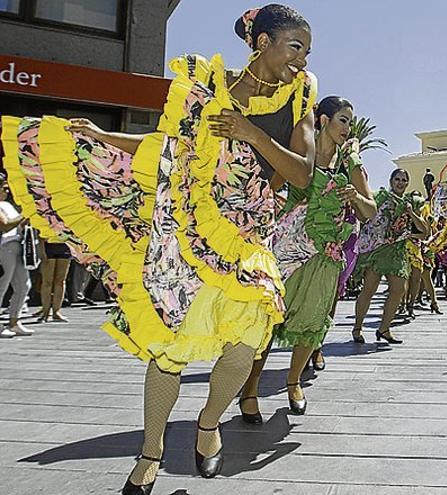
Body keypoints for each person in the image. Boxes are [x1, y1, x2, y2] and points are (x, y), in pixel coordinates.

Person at [2, 4, 319, 491]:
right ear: (263, 43)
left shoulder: (301, 97)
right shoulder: (206, 86)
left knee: (246, 340)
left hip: (247, 235)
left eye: (307, 51)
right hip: (186, 227)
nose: (302, 59)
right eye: (294, 47)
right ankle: (149, 453)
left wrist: (251, 132)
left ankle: (209, 424)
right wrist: (104, 134)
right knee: (168, 349)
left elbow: (302, 174)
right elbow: (165, 147)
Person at [239, 96, 376, 421]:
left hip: (327, 256)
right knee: (270, 319)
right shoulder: (303, 153)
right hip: (289, 249)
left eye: (350, 122)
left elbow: (369, 212)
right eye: (343, 120)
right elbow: (269, 190)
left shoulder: (349, 164)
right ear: (324, 120)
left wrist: (355, 196)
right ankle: (250, 389)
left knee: (314, 321)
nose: (348, 128)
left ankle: (293, 382)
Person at [352, 169, 428, 344]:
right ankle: (357, 328)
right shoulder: (380, 197)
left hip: (397, 252)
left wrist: (411, 213)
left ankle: (384, 328)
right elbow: (365, 213)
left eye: (404, 180)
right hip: (378, 251)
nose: (400, 182)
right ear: (391, 180)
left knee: (399, 290)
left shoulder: (412, 203)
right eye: (397, 179)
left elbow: (425, 232)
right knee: (369, 289)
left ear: (408, 183)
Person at [0, 185, 33, 338]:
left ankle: (14, 321)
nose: (7, 191)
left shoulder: (7, 205)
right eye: (3, 188)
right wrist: (25, 213)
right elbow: (5, 225)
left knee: (24, 285)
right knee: (2, 286)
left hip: (17, 245)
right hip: (5, 248)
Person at [37, 234, 71, 323]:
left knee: (60, 281)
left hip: (65, 245)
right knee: (47, 281)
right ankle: (45, 312)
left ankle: (56, 312)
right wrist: (41, 250)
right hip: (48, 245)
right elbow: (40, 233)